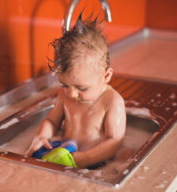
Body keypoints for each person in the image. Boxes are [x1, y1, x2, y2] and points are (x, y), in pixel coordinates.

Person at [26, 14, 126, 168]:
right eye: (64, 85)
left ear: (106, 76)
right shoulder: (64, 96)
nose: (71, 93)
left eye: (82, 88)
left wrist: (84, 158)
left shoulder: (112, 102)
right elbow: (51, 122)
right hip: (67, 153)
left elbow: (114, 141)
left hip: (98, 163)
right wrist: (41, 136)